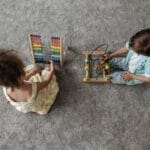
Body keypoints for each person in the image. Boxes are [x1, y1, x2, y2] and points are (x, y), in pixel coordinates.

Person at [0, 50, 59, 115]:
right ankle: (48, 72)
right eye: (22, 71)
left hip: (23, 102)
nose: (23, 70)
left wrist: (32, 73)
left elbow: (20, 79)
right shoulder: (30, 89)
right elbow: (46, 82)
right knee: (47, 71)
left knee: (34, 67)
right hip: (35, 99)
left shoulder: (5, 87)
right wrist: (51, 73)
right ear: (19, 75)